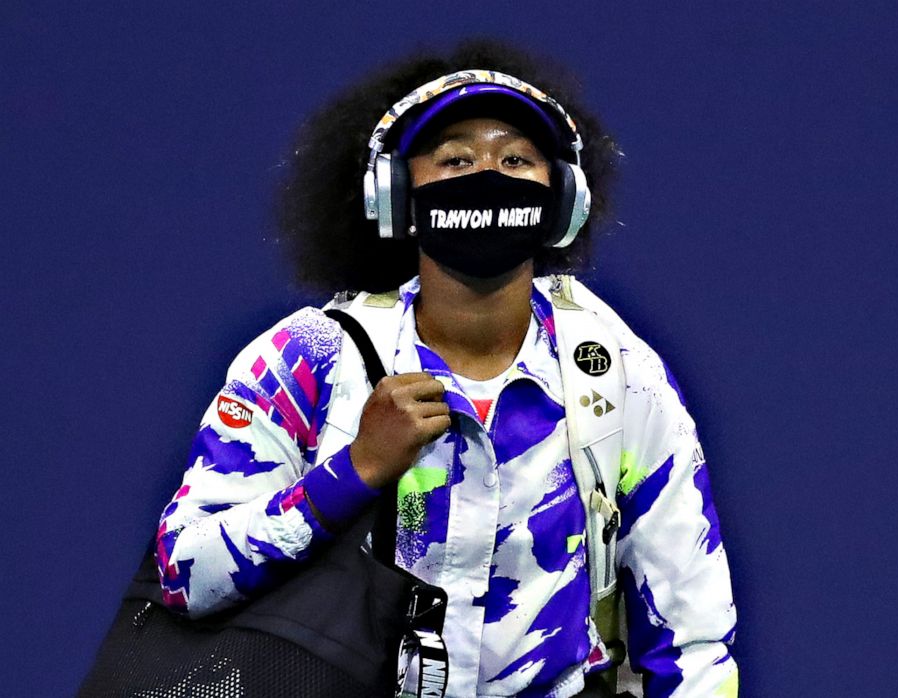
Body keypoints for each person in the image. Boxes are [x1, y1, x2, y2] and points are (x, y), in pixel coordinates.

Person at [155, 40, 738, 697]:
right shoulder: (308, 360)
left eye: (517, 157)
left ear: (563, 198)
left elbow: (693, 642)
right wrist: (353, 472)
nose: (488, 173)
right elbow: (185, 574)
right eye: (456, 158)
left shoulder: (620, 379)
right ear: (394, 193)